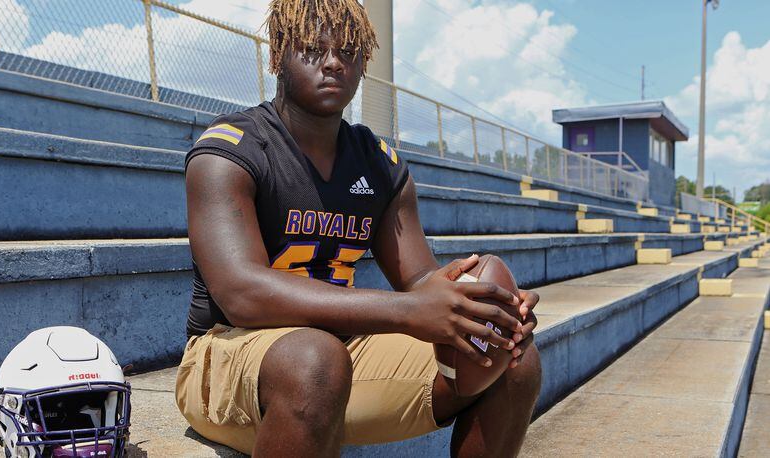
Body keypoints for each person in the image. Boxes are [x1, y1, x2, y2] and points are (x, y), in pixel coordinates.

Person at [175, 0, 541, 456]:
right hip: (227, 354)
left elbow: (420, 279)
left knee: (510, 357)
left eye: (348, 51)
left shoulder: (379, 163)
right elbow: (242, 294)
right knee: (315, 360)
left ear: (364, 62)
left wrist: (486, 304)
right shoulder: (230, 151)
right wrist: (407, 311)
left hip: (338, 359)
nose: (332, 62)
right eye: (313, 48)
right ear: (277, 55)